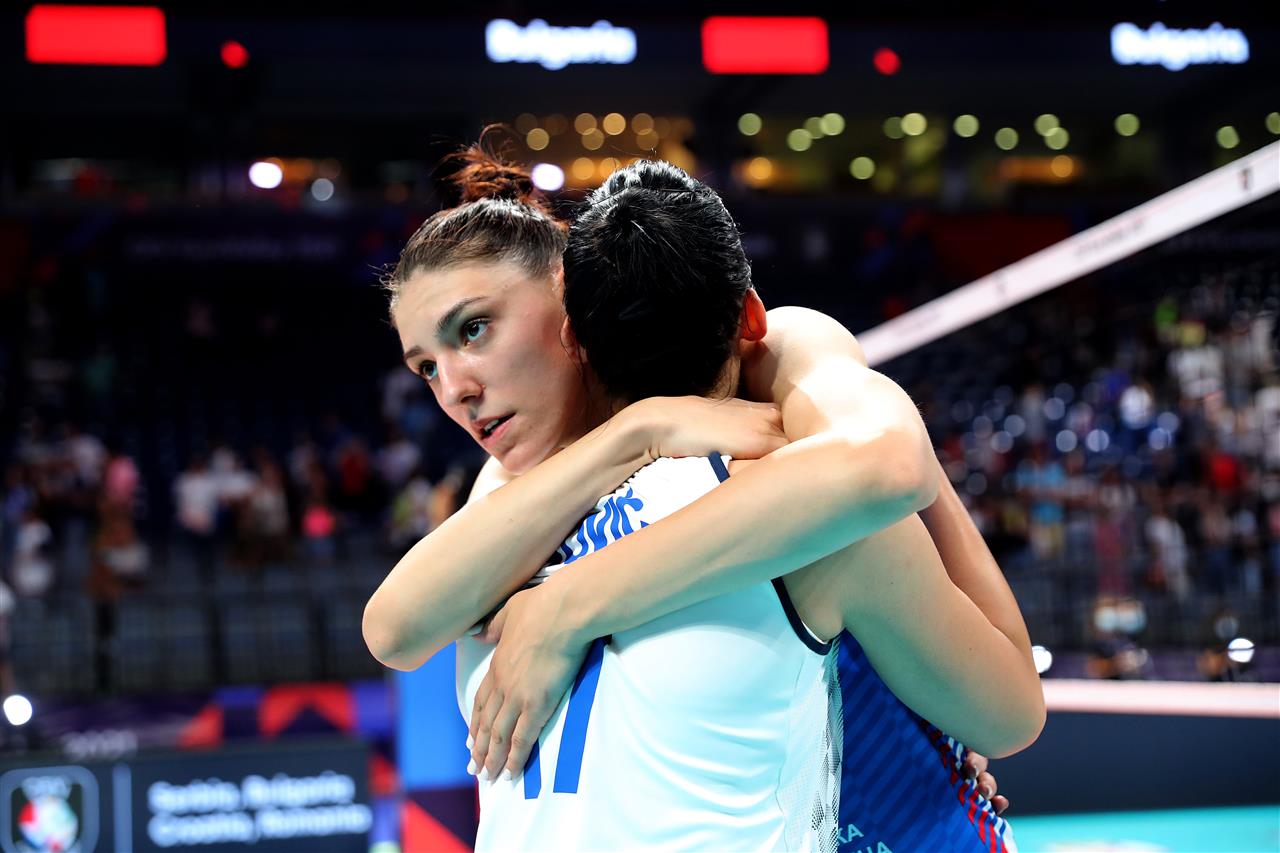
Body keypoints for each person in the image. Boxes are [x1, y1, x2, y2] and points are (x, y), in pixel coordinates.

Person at [363, 147, 1042, 850]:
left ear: (569, 306)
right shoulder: (512, 490)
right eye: (426, 368)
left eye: (475, 329)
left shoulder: (779, 389)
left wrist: (564, 605)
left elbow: (889, 463)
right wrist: (638, 432)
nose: (454, 390)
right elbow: (391, 630)